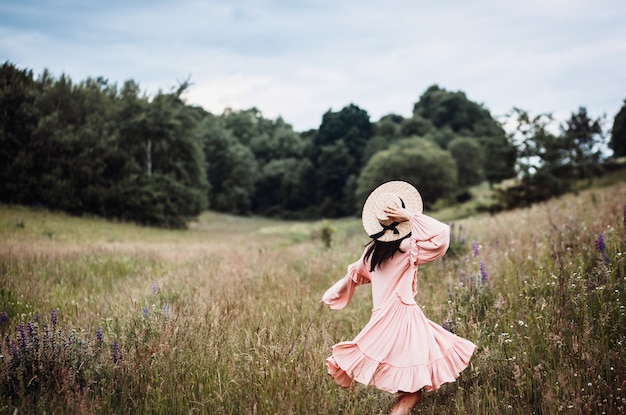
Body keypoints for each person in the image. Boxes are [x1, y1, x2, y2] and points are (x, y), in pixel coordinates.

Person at [321, 181, 476, 415]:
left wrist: (334, 292)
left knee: (410, 385)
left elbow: (354, 274)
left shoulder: (372, 251)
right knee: (413, 388)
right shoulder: (406, 247)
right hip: (403, 319)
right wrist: (409, 216)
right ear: (401, 221)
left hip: (384, 318)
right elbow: (442, 234)